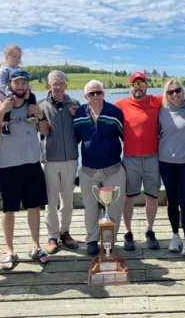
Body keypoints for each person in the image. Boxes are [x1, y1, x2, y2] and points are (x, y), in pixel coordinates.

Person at [0, 68, 50, 270]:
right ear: (10, 84)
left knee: (34, 207)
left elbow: (45, 131)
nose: (20, 86)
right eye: (17, 83)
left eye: (24, 83)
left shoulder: (33, 105)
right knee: (9, 210)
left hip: (32, 164)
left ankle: (36, 247)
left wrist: (40, 116)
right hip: (8, 166)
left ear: (27, 85)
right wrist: (2, 111)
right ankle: (10, 251)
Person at [73, 80, 126, 255]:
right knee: (90, 208)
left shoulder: (115, 112)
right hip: (88, 171)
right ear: (85, 96)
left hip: (112, 170)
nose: (95, 96)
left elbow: (126, 137)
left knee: (115, 209)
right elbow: (73, 138)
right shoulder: (79, 113)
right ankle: (92, 240)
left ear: (103, 93)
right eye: (91, 94)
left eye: (98, 92)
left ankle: (109, 243)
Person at [114, 72, 162, 251]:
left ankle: (150, 230)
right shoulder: (120, 105)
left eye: (141, 84)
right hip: (130, 158)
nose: (138, 88)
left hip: (153, 157)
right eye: (135, 84)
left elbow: (177, 99)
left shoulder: (157, 101)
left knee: (152, 196)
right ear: (130, 87)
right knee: (129, 198)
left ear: (146, 86)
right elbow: (100, 108)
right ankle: (128, 232)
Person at [38, 70, 80, 254]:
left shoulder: (76, 105)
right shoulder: (41, 106)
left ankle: (65, 232)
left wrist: (78, 114)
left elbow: (83, 128)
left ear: (66, 85)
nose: (58, 87)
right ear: (49, 86)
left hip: (71, 158)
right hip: (49, 159)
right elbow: (38, 132)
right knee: (50, 200)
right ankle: (52, 235)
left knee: (68, 199)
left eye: (61, 83)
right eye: (55, 84)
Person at [158, 79, 185, 256]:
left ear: (183, 90)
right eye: (170, 92)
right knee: (172, 201)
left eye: (177, 90)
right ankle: (175, 236)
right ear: (166, 94)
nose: (175, 94)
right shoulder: (162, 110)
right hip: (166, 162)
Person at [0, 44, 37, 137]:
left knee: (32, 96)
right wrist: (9, 94)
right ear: (7, 57)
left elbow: (26, 83)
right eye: (14, 56)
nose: (17, 59)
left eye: (19, 57)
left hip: (17, 92)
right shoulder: (3, 70)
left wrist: (28, 91)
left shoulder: (20, 69)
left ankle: (31, 114)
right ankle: (5, 124)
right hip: (3, 92)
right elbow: (1, 84)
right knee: (8, 103)